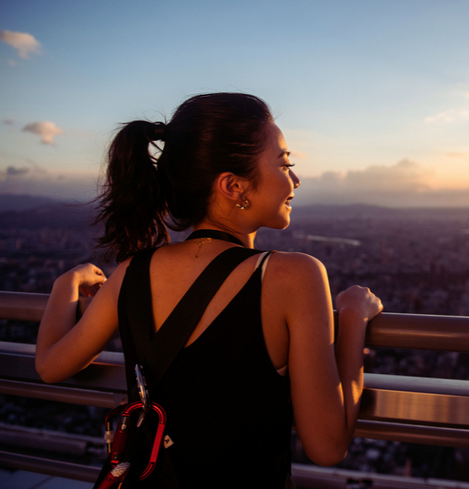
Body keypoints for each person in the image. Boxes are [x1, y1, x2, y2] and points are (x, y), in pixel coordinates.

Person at [35, 93, 383, 487]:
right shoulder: (293, 275)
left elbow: (49, 365)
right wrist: (354, 316)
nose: (296, 179)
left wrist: (66, 285)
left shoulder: (131, 272)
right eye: (285, 163)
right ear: (234, 185)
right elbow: (328, 446)